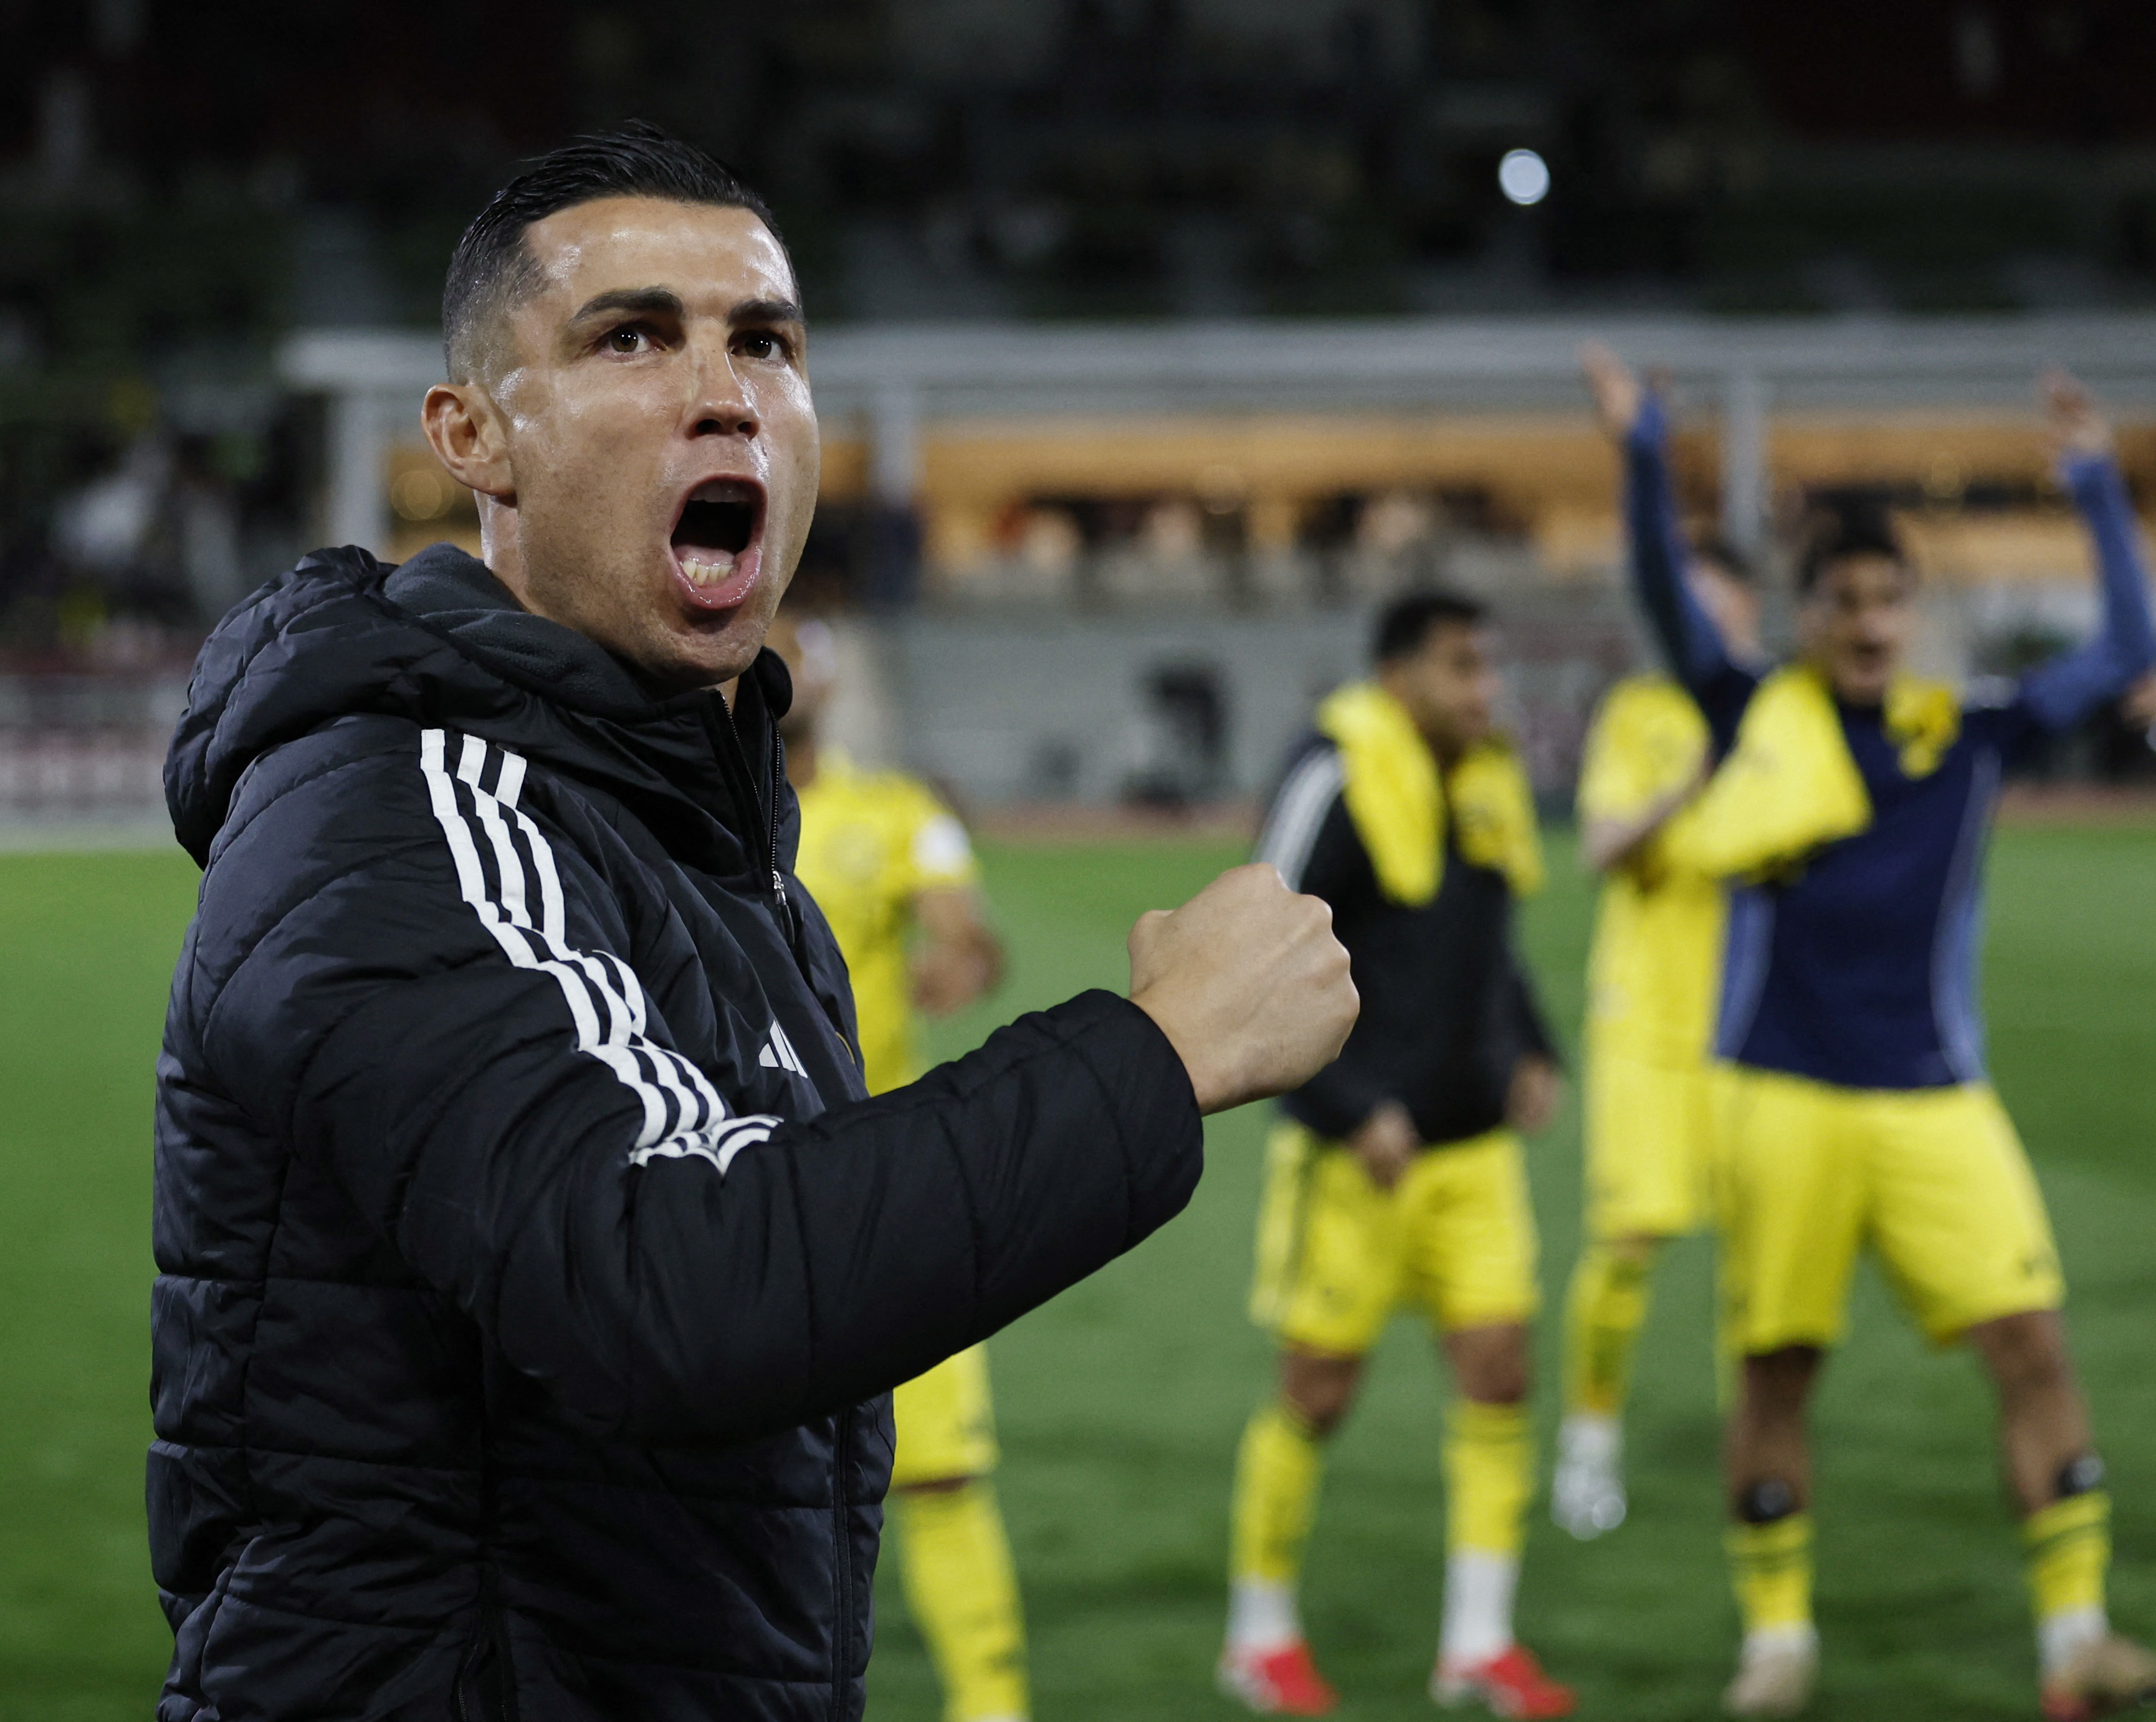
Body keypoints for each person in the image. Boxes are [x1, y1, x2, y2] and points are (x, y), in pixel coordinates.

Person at [148, 123, 1358, 1722]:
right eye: (631, 336)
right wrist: (1156, 1053)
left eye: (765, 343)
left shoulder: (704, 837)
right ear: (473, 437)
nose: (724, 389)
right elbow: (670, 1287)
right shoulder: (399, 805)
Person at [1591, 346, 2156, 1721]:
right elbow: (1661, 596)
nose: (1866, 622)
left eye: (1886, 598)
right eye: (1840, 598)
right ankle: (1778, 1637)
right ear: (1802, 613)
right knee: (1777, 1368)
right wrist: (1641, 456)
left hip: (1935, 1096)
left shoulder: (1967, 732)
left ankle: (2075, 1636)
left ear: (1913, 611)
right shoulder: (1749, 714)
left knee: (2033, 1346)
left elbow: (2118, 652)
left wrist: (2095, 482)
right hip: (1781, 1099)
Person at [1219, 592, 1575, 1721]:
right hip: (1354, 1158)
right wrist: (1347, 1101)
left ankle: (1478, 1642)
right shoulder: (1334, 771)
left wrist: (1530, 1044)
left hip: (1473, 1154)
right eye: (1464, 670)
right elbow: (1255, 945)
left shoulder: (1481, 778)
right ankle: (1258, 1635)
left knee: (1500, 1373)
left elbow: (1484, 940)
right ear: (1398, 676)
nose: (1487, 693)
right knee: (1317, 1395)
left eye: (1490, 669)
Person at [770, 614, 1028, 1722]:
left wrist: (960, 962)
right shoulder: (670, 815)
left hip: (880, 1184)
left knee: (945, 1473)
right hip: (734, 1193)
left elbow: (967, 932)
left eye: (812, 641)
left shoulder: (899, 812)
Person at [1552, 493, 1765, 1540]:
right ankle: (1589, 1438)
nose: (1706, 628)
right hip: (1644, 1021)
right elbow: (1598, 849)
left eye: (1721, 611)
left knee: (1761, 1257)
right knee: (1629, 1247)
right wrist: (1690, 786)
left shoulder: (1781, 713)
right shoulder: (1641, 712)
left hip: (1755, 1027)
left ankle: (1757, 1447)